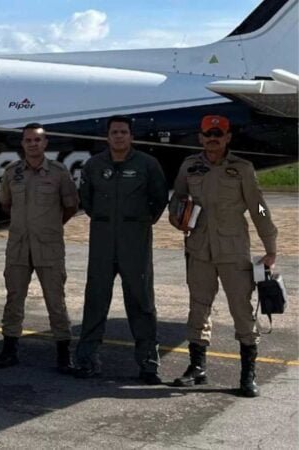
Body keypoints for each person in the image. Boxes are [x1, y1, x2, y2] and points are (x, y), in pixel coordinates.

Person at [168, 115, 277, 397]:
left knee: (241, 308)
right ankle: (197, 368)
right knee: (198, 306)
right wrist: (177, 216)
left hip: (233, 251)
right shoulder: (190, 166)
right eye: (208, 133)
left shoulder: (242, 169)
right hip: (199, 249)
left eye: (219, 133)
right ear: (201, 137)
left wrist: (270, 246)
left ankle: (247, 375)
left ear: (228, 137)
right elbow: (177, 199)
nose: (213, 138)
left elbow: (259, 208)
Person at [74, 115, 168, 384]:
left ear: (131, 136)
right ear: (108, 136)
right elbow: (87, 202)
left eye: (123, 132)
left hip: (134, 241)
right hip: (102, 240)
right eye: (114, 132)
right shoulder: (94, 165)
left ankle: (148, 363)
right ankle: (87, 359)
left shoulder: (147, 165)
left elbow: (159, 199)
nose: (119, 136)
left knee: (141, 301)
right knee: (95, 300)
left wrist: (138, 223)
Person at [0, 123, 78, 372]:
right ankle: (9, 350)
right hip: (18, 246)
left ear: (45, 143)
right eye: (28, 140)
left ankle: (63, 354)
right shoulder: (12, 172)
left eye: (37, 140)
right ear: (22, 144)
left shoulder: (59, 172)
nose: (32, 144)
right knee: (14, 298)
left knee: (56, 300)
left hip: (48, 247)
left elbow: (71, 206)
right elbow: (6, 204)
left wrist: (48, 226)